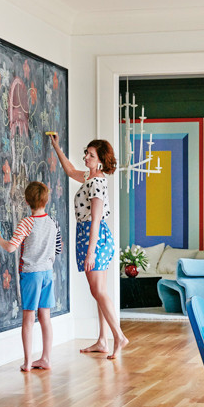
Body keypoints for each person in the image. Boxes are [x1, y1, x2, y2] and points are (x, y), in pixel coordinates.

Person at [48, 132, 128, 359]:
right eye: (86, 153)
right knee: (98, 292)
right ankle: (103, 340)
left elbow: (96, 219)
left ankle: (118, 336)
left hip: (94, 237)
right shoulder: (90, 178)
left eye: (90, 155)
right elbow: (70, 171)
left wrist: (91, 251)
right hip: (90, 236)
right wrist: (57, 147)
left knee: (98, 291)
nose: (86, 157)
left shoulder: (96, 184)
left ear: (100, 160)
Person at [0, 181, 63, 371]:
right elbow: (58, 249)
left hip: (31, 274)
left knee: (28, 318)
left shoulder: (27, 222)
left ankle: (28, 362)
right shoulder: (53, 222)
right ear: (46, 200)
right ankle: (46, 358)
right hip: (48, 272)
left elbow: (11, 247)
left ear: (26, 201)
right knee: (45, 317)